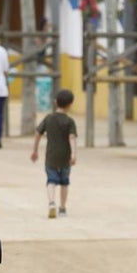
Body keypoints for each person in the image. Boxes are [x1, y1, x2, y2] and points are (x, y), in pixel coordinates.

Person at [31, 89, 78, 218]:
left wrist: (35, 150)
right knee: (64, 182)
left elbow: (37, 134)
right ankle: (62, 208)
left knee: (51, 180)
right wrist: (73, 154)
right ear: (70, 104)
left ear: (55, 102)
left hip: (51, 157)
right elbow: (72, 137)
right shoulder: (70, 121)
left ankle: (51, 203)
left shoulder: (48, 118)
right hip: (65, 157)